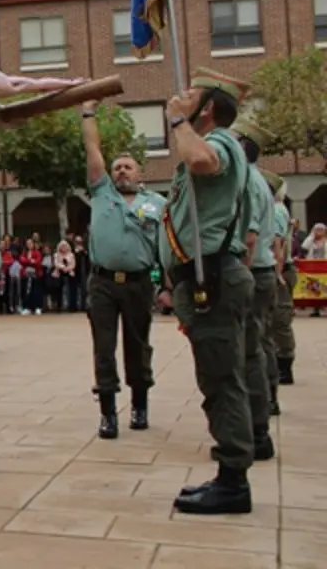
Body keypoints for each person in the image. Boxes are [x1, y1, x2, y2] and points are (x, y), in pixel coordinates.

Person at [158, 68, 254, 515]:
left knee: (222, 380)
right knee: (214, 378)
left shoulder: (219, 143)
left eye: (191, 96)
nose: (181, 99)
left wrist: (177, 122)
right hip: (201, 278)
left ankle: (234, 480)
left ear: (208, 109)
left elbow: (202, 163)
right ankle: (228, 475)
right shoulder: (206, 141)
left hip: (213, 277)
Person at [79, 99, 166, 439]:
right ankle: (107, 413)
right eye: (117, 167)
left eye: (128, 167)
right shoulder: (101, 193)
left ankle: (140, 405)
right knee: (104, 347)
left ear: (140, 173)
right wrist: (88, 113)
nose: (122, 171)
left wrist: (169, 285)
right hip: (101, 283)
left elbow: (166, 249)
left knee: (138, 345)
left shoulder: (157, 204)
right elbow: (92, 147)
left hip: (139, 283)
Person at [230, 119, 278, 438]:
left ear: (243, 146)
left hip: (252, 270)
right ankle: (268, 401)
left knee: (249, 349)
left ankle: (256, 421)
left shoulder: (247, 179)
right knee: (259, 342)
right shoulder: (259, 179)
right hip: (263, 270)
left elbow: (249, 238)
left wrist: (240, 275)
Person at [268, 178, 297, 386]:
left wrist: (277, 273)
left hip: (281, 270)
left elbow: (278, 245)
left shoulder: (277, 211)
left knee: (280, 319)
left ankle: (284, 367)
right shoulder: (278, 210)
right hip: (281, 268)